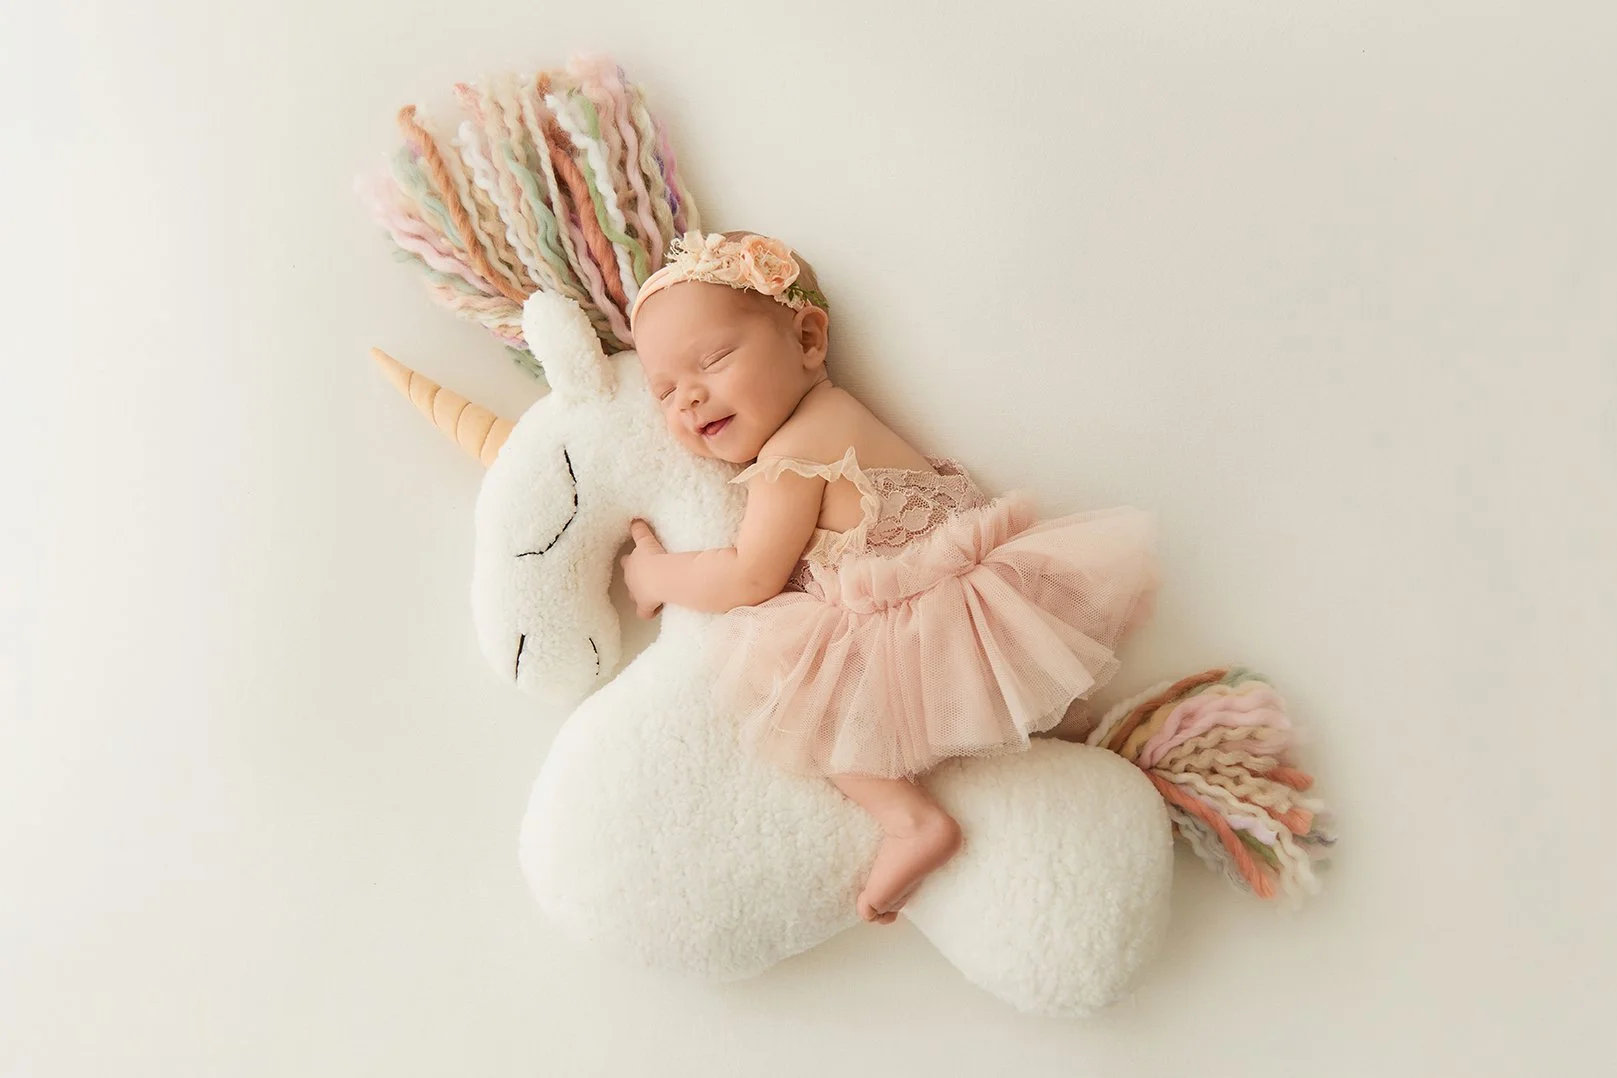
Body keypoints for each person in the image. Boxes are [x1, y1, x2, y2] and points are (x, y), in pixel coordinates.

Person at [620, 231, 1157, 924]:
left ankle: (908, 821)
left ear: (808, 339)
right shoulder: (839, 416)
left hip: (910, 628)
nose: (689, 401)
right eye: (663, 392)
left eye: (715, 359)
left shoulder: (793, 454)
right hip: (977, 607)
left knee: (792, 684)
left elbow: (747, 577)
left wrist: (655, 573)